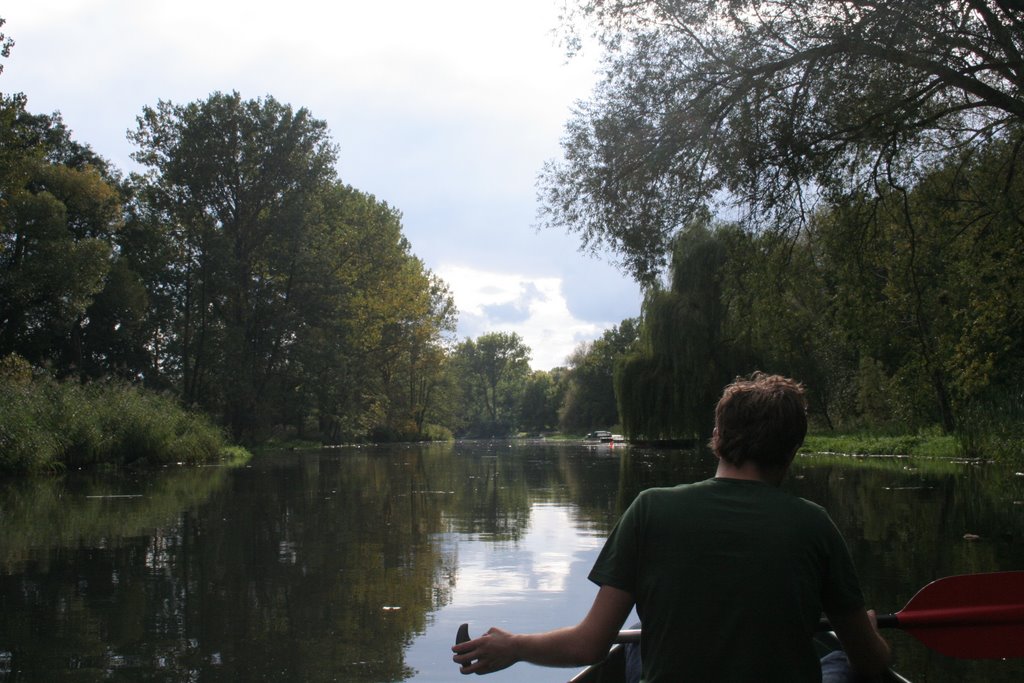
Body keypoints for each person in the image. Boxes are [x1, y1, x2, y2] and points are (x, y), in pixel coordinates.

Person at [452, 372, 892, 681]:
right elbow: (871, 664)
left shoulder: (649, 510)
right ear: (793, 448)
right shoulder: (814, 525)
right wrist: (869, 636)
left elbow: (588, 647)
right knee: (838, 659)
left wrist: (515, 646)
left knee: (633, 647)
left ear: (716, 437)